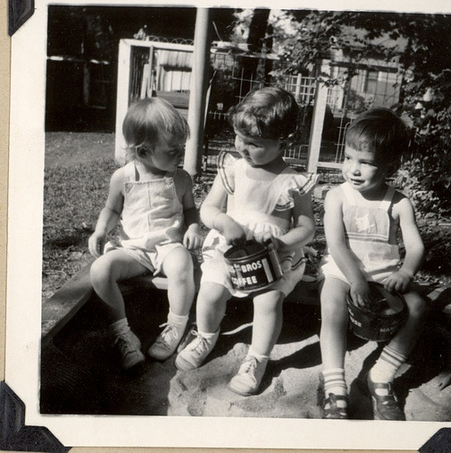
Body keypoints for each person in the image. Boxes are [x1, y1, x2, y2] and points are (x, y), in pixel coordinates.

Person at [175, 87, 318, 396]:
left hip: (275, 257)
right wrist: (224, 222)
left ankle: (257, 358)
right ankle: (206, 335)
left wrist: (283, 243)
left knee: (268, 300)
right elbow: (208, 209)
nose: (243, 147)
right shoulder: (232, 169)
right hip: (230, 251)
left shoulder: (293, 182)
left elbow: (307, 228)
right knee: (211, 291)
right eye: (240, 138)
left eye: (254, 143)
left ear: (285, 141)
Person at [318, 108, 427, 420]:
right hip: (344, 269)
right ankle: (335, 385)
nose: (354, 169)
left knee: (418, 306)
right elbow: (336, 244)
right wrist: (355, 279)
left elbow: (416, 245)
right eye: (349, 157)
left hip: (385, 272)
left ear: (390, 165)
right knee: (331, 300)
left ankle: (382, 374)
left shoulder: (399, 202)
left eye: (365, 162)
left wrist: (406, 271)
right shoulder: (337, 197)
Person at [88, 97, 204, 370]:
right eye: (172, 150)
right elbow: (111, 209)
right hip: (135, 249)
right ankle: (123, 333)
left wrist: (195, 226)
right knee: (100, 271)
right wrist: (101, 230)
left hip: (168, 245)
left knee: (181, 264)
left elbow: (190, 211)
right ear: (142, 151)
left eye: (182, 148)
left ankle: (175, 325)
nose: (180, 155)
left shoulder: (181, 178)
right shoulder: (123, 177)